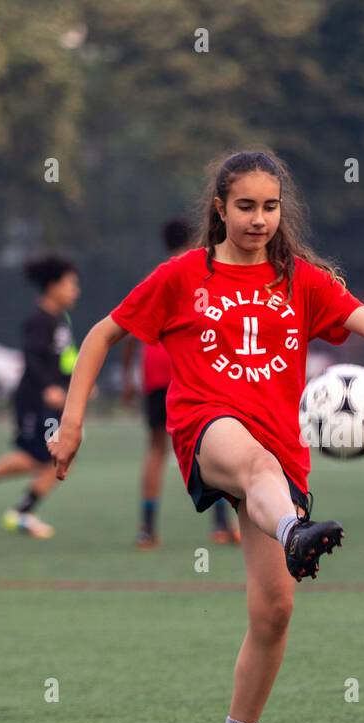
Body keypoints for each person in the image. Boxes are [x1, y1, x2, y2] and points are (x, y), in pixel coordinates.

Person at [50, 149, 364, 723]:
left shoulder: (301, 281)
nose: (258, 220)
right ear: (219, 207)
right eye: (245, 206)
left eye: (270, 207)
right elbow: (100, 335)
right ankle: (293, 532)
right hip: (207, 427)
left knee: (274, 610)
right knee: (249, 462)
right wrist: (74, 421)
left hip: (282, 455)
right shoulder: (182, 277)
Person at [122, 218, 240, 548]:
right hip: (192, 374)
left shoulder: (155, 277)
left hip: (155, 374)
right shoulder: (197, 274)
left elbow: (130, 331)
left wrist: (130, 377)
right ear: (194, 240)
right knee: (213, 449)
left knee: (156, 450)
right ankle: (220, 527)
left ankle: (147, 529)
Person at [0, 254, 80, 538]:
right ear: (52, 287)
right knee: (53, 459)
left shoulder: (61, 320)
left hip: (51, 404)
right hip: (34, 403)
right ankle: (17, 510)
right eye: (71, 284)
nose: (76, 290)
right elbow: (31, 358)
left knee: (52, 459)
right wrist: (47, 388)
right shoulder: (39, 321)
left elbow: (64, 361)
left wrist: (75, 383)